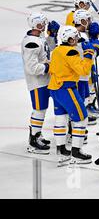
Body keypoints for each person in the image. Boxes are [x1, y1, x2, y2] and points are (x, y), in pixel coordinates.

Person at [48, 26, 95, 166]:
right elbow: (84, 71)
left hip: (55, 88)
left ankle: (61, 150)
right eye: (75, 37)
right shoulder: (70, 51)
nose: (77, 40)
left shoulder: (56, 51)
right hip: (66, 88)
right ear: (68, 38)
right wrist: (88, 55)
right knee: (81, 118)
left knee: (61, 118)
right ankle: (76, 152)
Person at [22, 13, 55, 154]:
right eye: (43, 23)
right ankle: (33, 140)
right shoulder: (31, 43)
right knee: (39, 109)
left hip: (44, 80)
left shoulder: (38, 38)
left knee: (42, 109)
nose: (45, 25)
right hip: (37, 82)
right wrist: (48, 67)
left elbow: (46, 51)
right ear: (38, 25)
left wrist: (52, 36)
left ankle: (37, 134)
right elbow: (32, 68)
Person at [72, 9, 99, 126]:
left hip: (81, 72)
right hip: (81, 73)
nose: (90, 22)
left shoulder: (77, 34)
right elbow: (93, 54)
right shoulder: (82, 37)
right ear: (83, 21)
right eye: (88, 20)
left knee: (83, 97)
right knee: (81, 97)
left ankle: (82, 116)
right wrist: (95, 40)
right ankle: (78, 121)